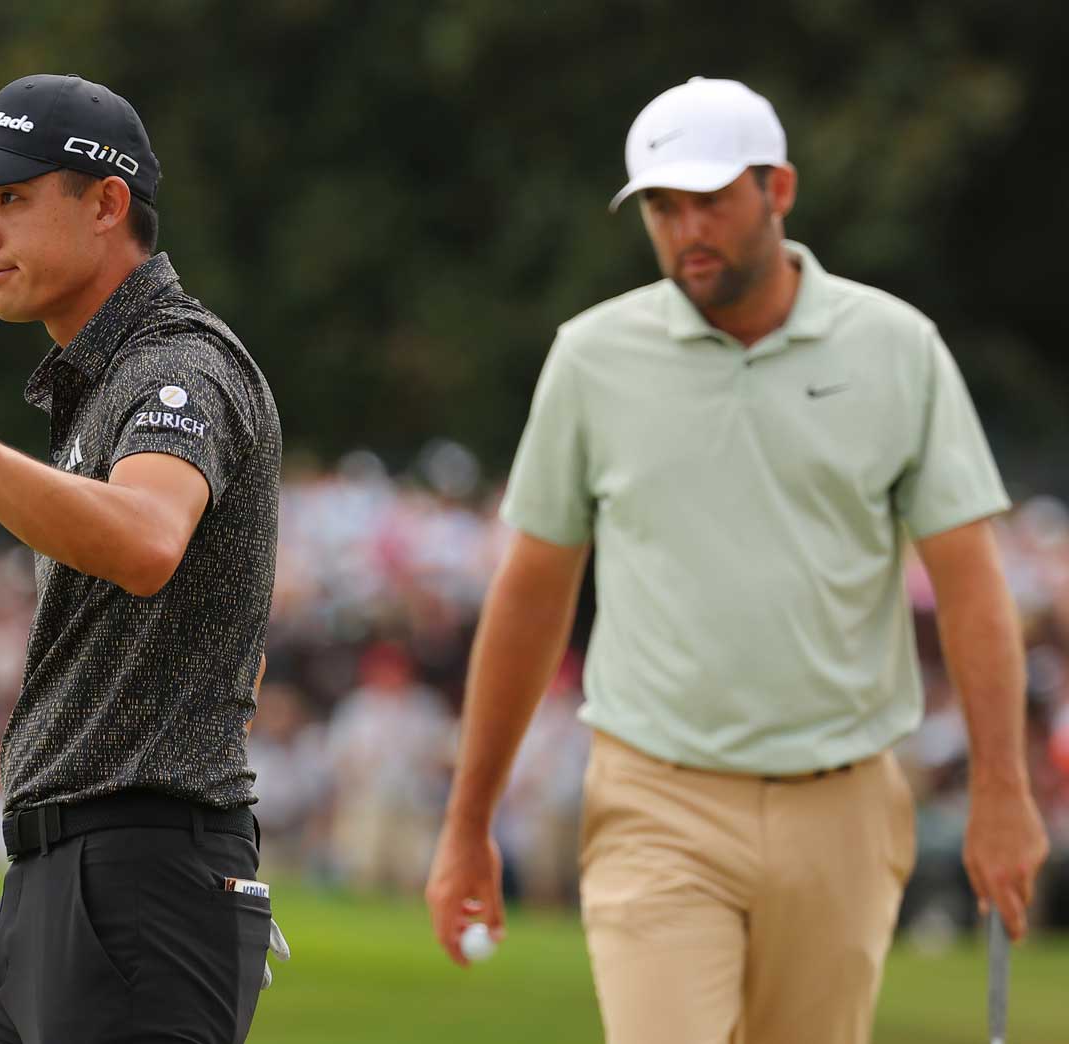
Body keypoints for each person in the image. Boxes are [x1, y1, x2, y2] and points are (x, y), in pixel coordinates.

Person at [423, 77, 1050, 1044]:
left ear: (779, 189)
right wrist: (469, 826)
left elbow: (972, 587)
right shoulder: (592, 359)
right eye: (663, 209)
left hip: (844, 804)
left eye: (710, 199)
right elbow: (531, 597)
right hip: (655, 795)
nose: (686, 230)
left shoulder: (898, 349)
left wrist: (1004, 795)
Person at [0, 73, 284, 1043]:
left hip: (139, 881)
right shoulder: (105, 380)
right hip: (63, 878)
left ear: (106, 204)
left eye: (11, 200)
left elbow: (146, 541)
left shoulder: (176, 365)